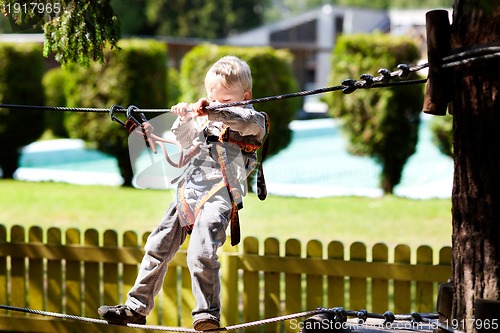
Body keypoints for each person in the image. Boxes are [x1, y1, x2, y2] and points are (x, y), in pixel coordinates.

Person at [98, 56, 268, 331]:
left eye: (225, 98)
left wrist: (210, 110)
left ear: (245, 96)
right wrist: (186, 118)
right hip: (189, 191)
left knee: (201, 253)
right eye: (212, 96)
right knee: (157, 245)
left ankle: (207, 315)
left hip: (219, 193)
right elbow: (185, 141)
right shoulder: (207, 116)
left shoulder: (253, 119)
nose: (216, 103)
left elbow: (238, 119)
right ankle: (136, 307)